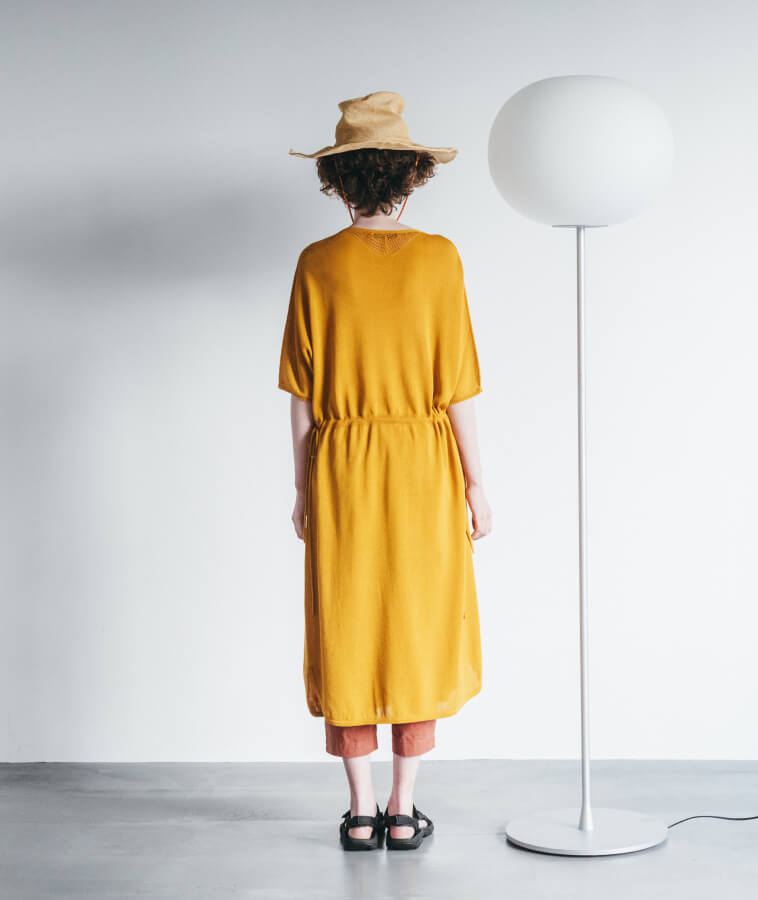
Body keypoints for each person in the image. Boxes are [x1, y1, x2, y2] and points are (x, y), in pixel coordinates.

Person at [278, 92, 492, 851]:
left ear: (339, 181)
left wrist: (302, 488)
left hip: (341, 465)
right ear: (409, 176)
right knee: (417, 620)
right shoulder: (439, 257)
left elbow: (302, 396)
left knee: (347, 620)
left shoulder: (317, 262)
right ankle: (404, 810)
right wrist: (475, 481)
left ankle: (361, 810)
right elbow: (458, 386)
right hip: (424, 463)